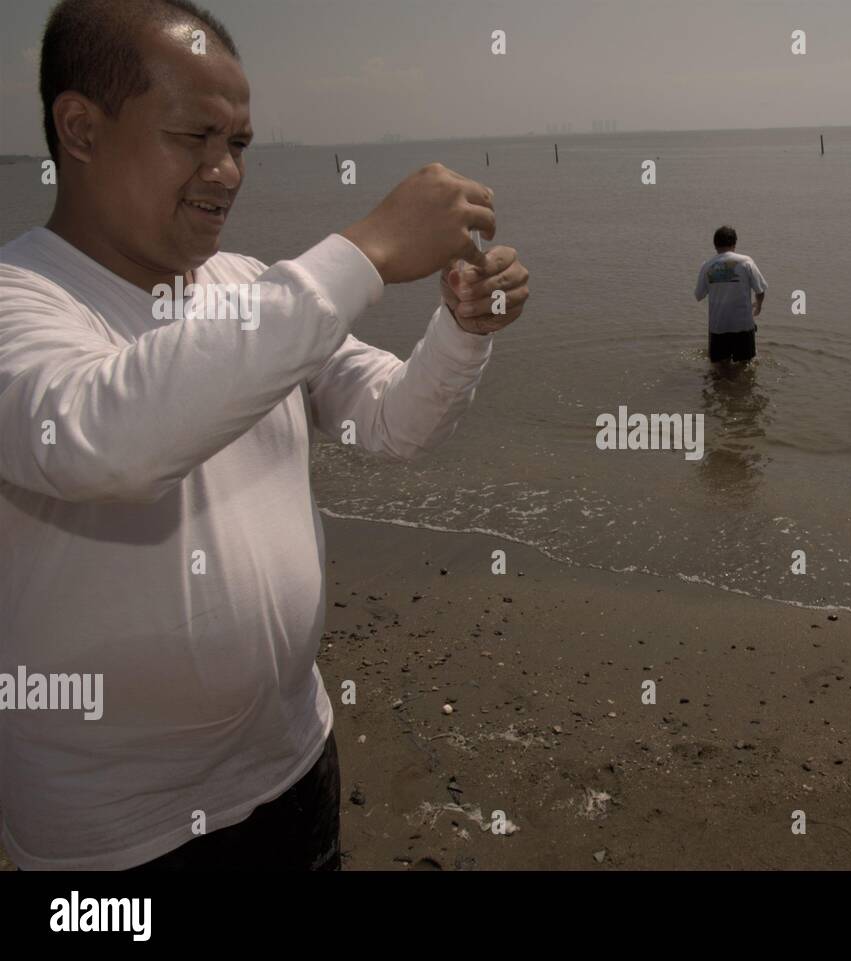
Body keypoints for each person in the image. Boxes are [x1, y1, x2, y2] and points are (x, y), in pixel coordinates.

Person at [0, 0, 530, 870]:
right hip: (114, 836)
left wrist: (464, 328)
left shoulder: (250, 290)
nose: (226, 172)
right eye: (196, 136)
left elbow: (392, 419)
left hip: (293, 766)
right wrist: (363, 251)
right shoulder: (22, 301)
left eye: (239, 144)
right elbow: (102, 439)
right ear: (81, 129)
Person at [694, 225, 767, 364]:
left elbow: (699, 295)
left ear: (715, 245)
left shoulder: (707, 265)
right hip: (743, 325)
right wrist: (758, 306)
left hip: (718, 326)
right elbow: (760, 290)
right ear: (734, 243)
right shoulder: (746, 262)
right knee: (745, 365)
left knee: (719, 368)